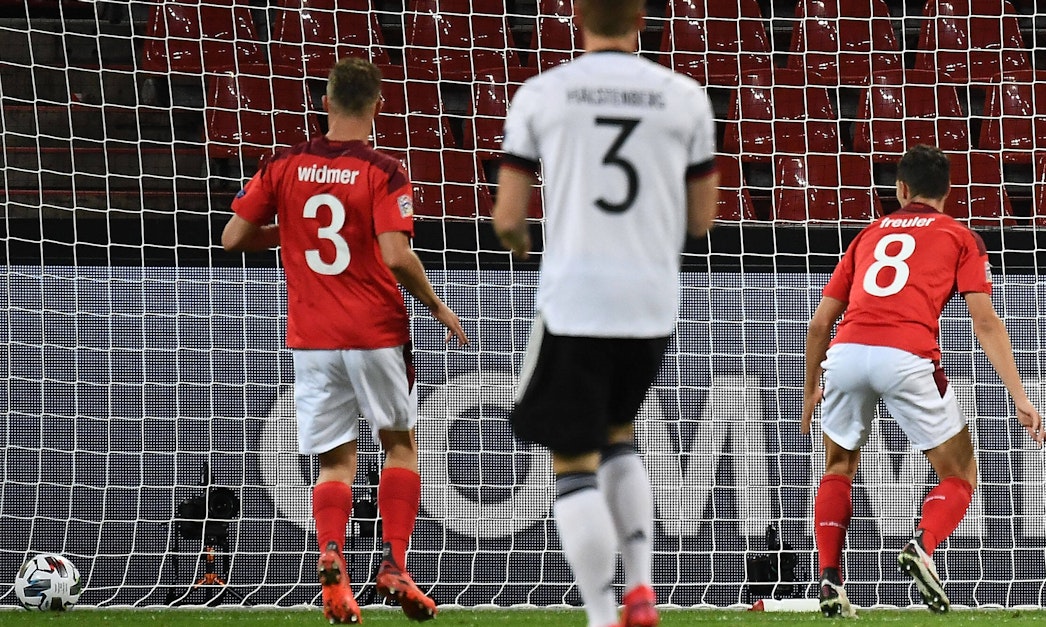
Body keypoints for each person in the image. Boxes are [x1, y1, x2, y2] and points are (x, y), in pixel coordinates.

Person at [490, 0, 718, 623]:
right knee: (621, 434)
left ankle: (599, 612)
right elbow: (703, 220)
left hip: (576, 301)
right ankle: (641, 588)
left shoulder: (542, 93)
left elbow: (508, 218)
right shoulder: (685, 97)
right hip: (650, 304)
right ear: (643, 20)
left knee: (572, 459)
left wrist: (523, 248)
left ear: (578, 18)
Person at [221, 57, 469, 624]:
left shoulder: (284, 163)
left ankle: (333, 555)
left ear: (326, 102)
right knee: (399, 446)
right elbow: (394, 253)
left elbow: (233, 235)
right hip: (376, 330)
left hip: (311, 337)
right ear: (378, 105)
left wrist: (294, 232)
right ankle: (395, 563)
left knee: (335, 462)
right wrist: (435, 306)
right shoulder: (383, 170)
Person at [802, 145, 1046, 618]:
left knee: (837, 467)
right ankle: (923, 545)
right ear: (948, 191)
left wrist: (811, 388)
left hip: (847, 352)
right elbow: (985, 322)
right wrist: (1019, 397)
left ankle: (830, 579)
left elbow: (817, 325)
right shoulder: (960, 236)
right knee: (960, 473)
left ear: (900, 189)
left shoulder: (867, 235)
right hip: (907, 354)